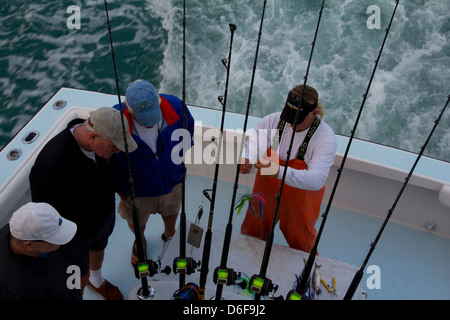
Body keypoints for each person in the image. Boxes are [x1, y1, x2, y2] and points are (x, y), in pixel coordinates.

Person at [29, 107, 137, 300]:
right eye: (114, 146)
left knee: (99, 247)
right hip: (73, 237)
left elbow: (111, 172)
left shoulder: (102, 148)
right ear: (93, 137)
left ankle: (96, 281)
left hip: (102, 219)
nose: (118, 151)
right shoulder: (50, 165)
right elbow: (43, 213)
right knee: (76, 276)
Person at [239, 84, 336, 253]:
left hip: (299, 198)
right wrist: (247, 161)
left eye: (296, 118)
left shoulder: (325, 138)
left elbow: (316, 180)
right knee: (251, 233)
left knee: (302, 244)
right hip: (266, 191)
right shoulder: (271, 120)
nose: (290, 123)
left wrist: (278, 172)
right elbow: (253, 147)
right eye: (288, 115)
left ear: (314, 113)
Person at [112, 80, 194, 266]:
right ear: (129, 109)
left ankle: (170, 233)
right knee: (137, 218)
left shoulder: (175, 105)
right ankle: (140, 241)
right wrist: (121, 191)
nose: (150, 123)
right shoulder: (115, 119)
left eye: (153, 115)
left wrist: (177, 162)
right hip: (136, 188)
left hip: (172, 180)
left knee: (172, 209)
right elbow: (110, 160)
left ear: (159, 101)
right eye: (143, 117)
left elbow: (188, 130)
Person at [0, 202, 80, 300]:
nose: (60, 243)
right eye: (53, 239)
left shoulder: (14, 231)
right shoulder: (25, 291)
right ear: (29, 245)